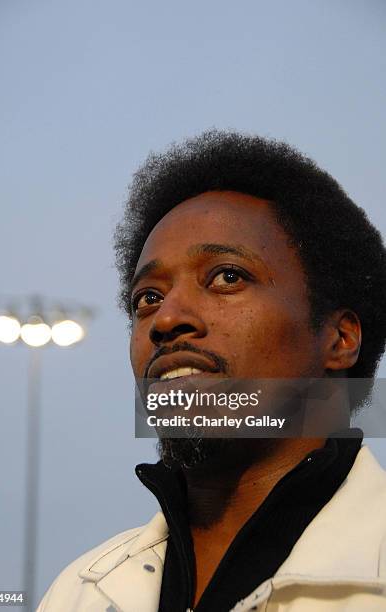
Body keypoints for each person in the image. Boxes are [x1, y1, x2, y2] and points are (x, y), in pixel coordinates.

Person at [37, 130, 386, 611]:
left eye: (226, 276)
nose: (166, 319)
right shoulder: (79, 591)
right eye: (148, 298)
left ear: (339, 339)